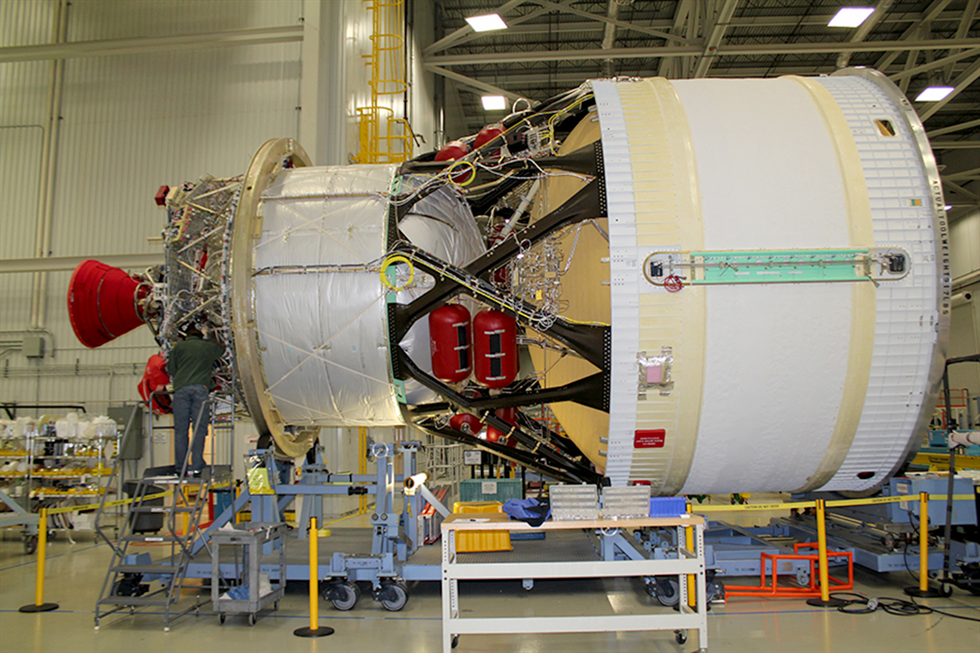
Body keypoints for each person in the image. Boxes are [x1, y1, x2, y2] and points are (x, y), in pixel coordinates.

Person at [166, 326, 223, 476]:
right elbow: (222, 350)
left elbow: (171, 369)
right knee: (199, 429)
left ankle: (181, 468)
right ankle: (197, 465)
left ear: (186, 337)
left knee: (180, 431)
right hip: (200, 390)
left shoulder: (179, 347)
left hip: (181, 390)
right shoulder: (207, 347)